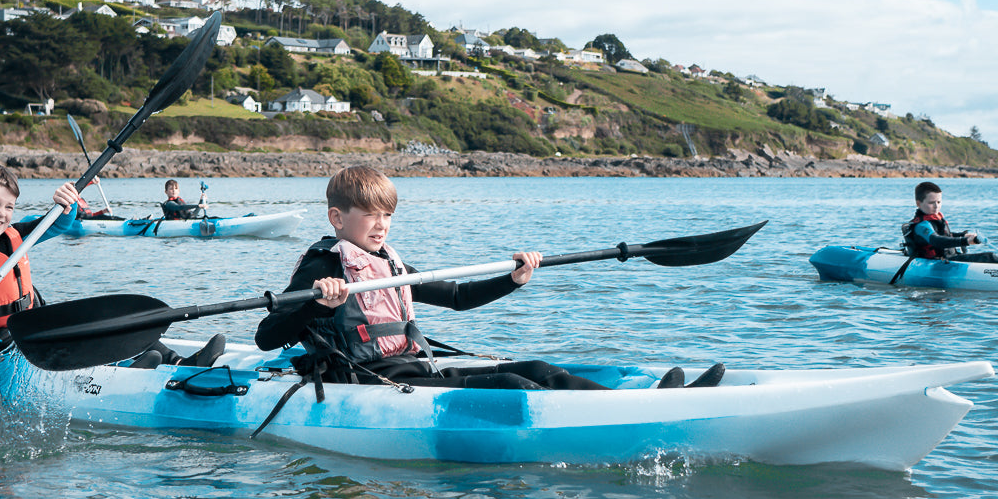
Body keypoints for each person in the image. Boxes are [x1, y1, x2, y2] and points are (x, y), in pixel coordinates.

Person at [253, 165, 724, 390]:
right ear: (337, 217)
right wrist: (319, 302)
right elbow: (266, 337)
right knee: (515, 387)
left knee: (537, 370)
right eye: (371, 216)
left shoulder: (388, 263)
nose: (382, 226)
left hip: (412, 368)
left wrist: (513, 280)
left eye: (388, 216)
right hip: (365, 381)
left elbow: (457, 296)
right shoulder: (324, 266)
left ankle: (646, 406)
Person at [0, 164, 196, 368]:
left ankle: (180, 361)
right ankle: (124, 372)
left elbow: (58, 223)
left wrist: (66, 203)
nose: (2, 214)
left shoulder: (17, 236)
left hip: (33, 329)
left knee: (98, 320)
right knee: (76, 343)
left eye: (9, 207)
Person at [901, 181, 998, 263]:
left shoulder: (935, 219)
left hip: (948, 258)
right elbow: (936, 240)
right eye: (931, 203)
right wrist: (964, 241)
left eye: (939, 202)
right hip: (938, 262)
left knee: (989, 257)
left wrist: (963, 235)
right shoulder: (922, 225)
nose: (936, 206)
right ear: (919, 203)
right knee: (989, 257)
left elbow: (946, 235)